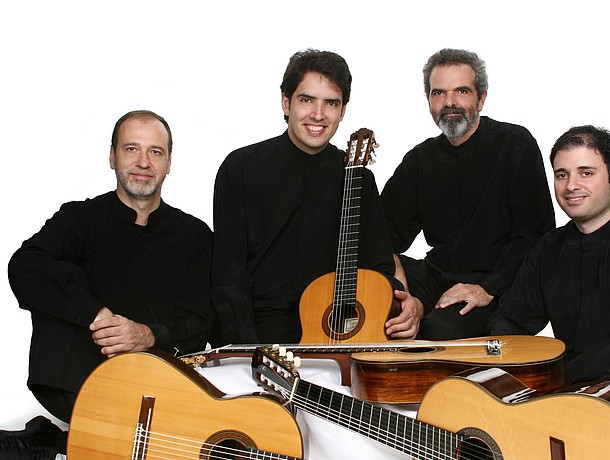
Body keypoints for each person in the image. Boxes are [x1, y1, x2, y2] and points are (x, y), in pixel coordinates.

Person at [5, 110, 215, 456]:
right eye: (131, 149)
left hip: (157, 386)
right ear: (112, 156)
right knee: (59, 273)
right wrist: (95, 314)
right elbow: (24, 266)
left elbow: (200, 321)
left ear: (169, 162)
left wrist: (146, 335)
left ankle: (52, 444)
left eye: (155, 152)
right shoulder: (79, 218)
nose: (143, 162)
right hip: (79, 379)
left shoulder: (195, 236)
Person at [211, 49, 422, 345]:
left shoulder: (359, 178)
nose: (318, 115)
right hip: (259, 332)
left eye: (331, 103)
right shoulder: (241, 168)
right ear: (286, 102)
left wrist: (404, 305)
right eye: (306, 100)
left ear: (342, 111)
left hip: (334, 329)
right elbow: (229, 274)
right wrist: (247, 349)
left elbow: (378, 270)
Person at [488, 125, 610, 426]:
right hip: (574, 378)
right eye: (562, 175)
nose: (571, 185)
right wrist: (497, 353)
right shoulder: (547, 249)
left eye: (586, 173)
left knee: (579, 421)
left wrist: (556, 377)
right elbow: (513, 318)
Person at [381, 48, 555, 340]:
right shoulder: (420, 160)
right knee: (366, 286)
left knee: (439, 329)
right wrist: (398, 283)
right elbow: (384, 231)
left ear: (481, 98)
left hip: (499, 283)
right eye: (439, 93)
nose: (449, 102)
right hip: (438, 276)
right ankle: (414, 310)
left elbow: (535, 235)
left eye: (461, 91)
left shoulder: (515, 144)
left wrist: (485, 288)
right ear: (428, 100)